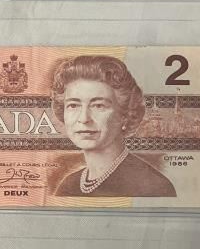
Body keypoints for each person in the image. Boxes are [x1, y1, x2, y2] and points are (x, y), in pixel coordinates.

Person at [51, 54, 176, 198]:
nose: (84, 119)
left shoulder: (153, 187)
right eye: (73, 105)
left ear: (125, 114)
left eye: (98, 106)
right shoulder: (68, 185)